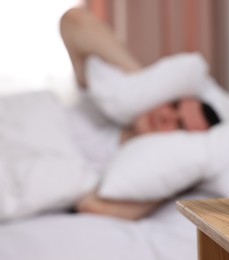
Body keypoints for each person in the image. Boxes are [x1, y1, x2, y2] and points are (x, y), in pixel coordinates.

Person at [60, 8, 220, 220]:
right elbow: (74, 21)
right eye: (173, 105)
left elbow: (92, 206)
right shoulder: (102, 101)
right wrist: (139, 84)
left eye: (179, 125)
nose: (166, 117)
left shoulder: (128, 176)